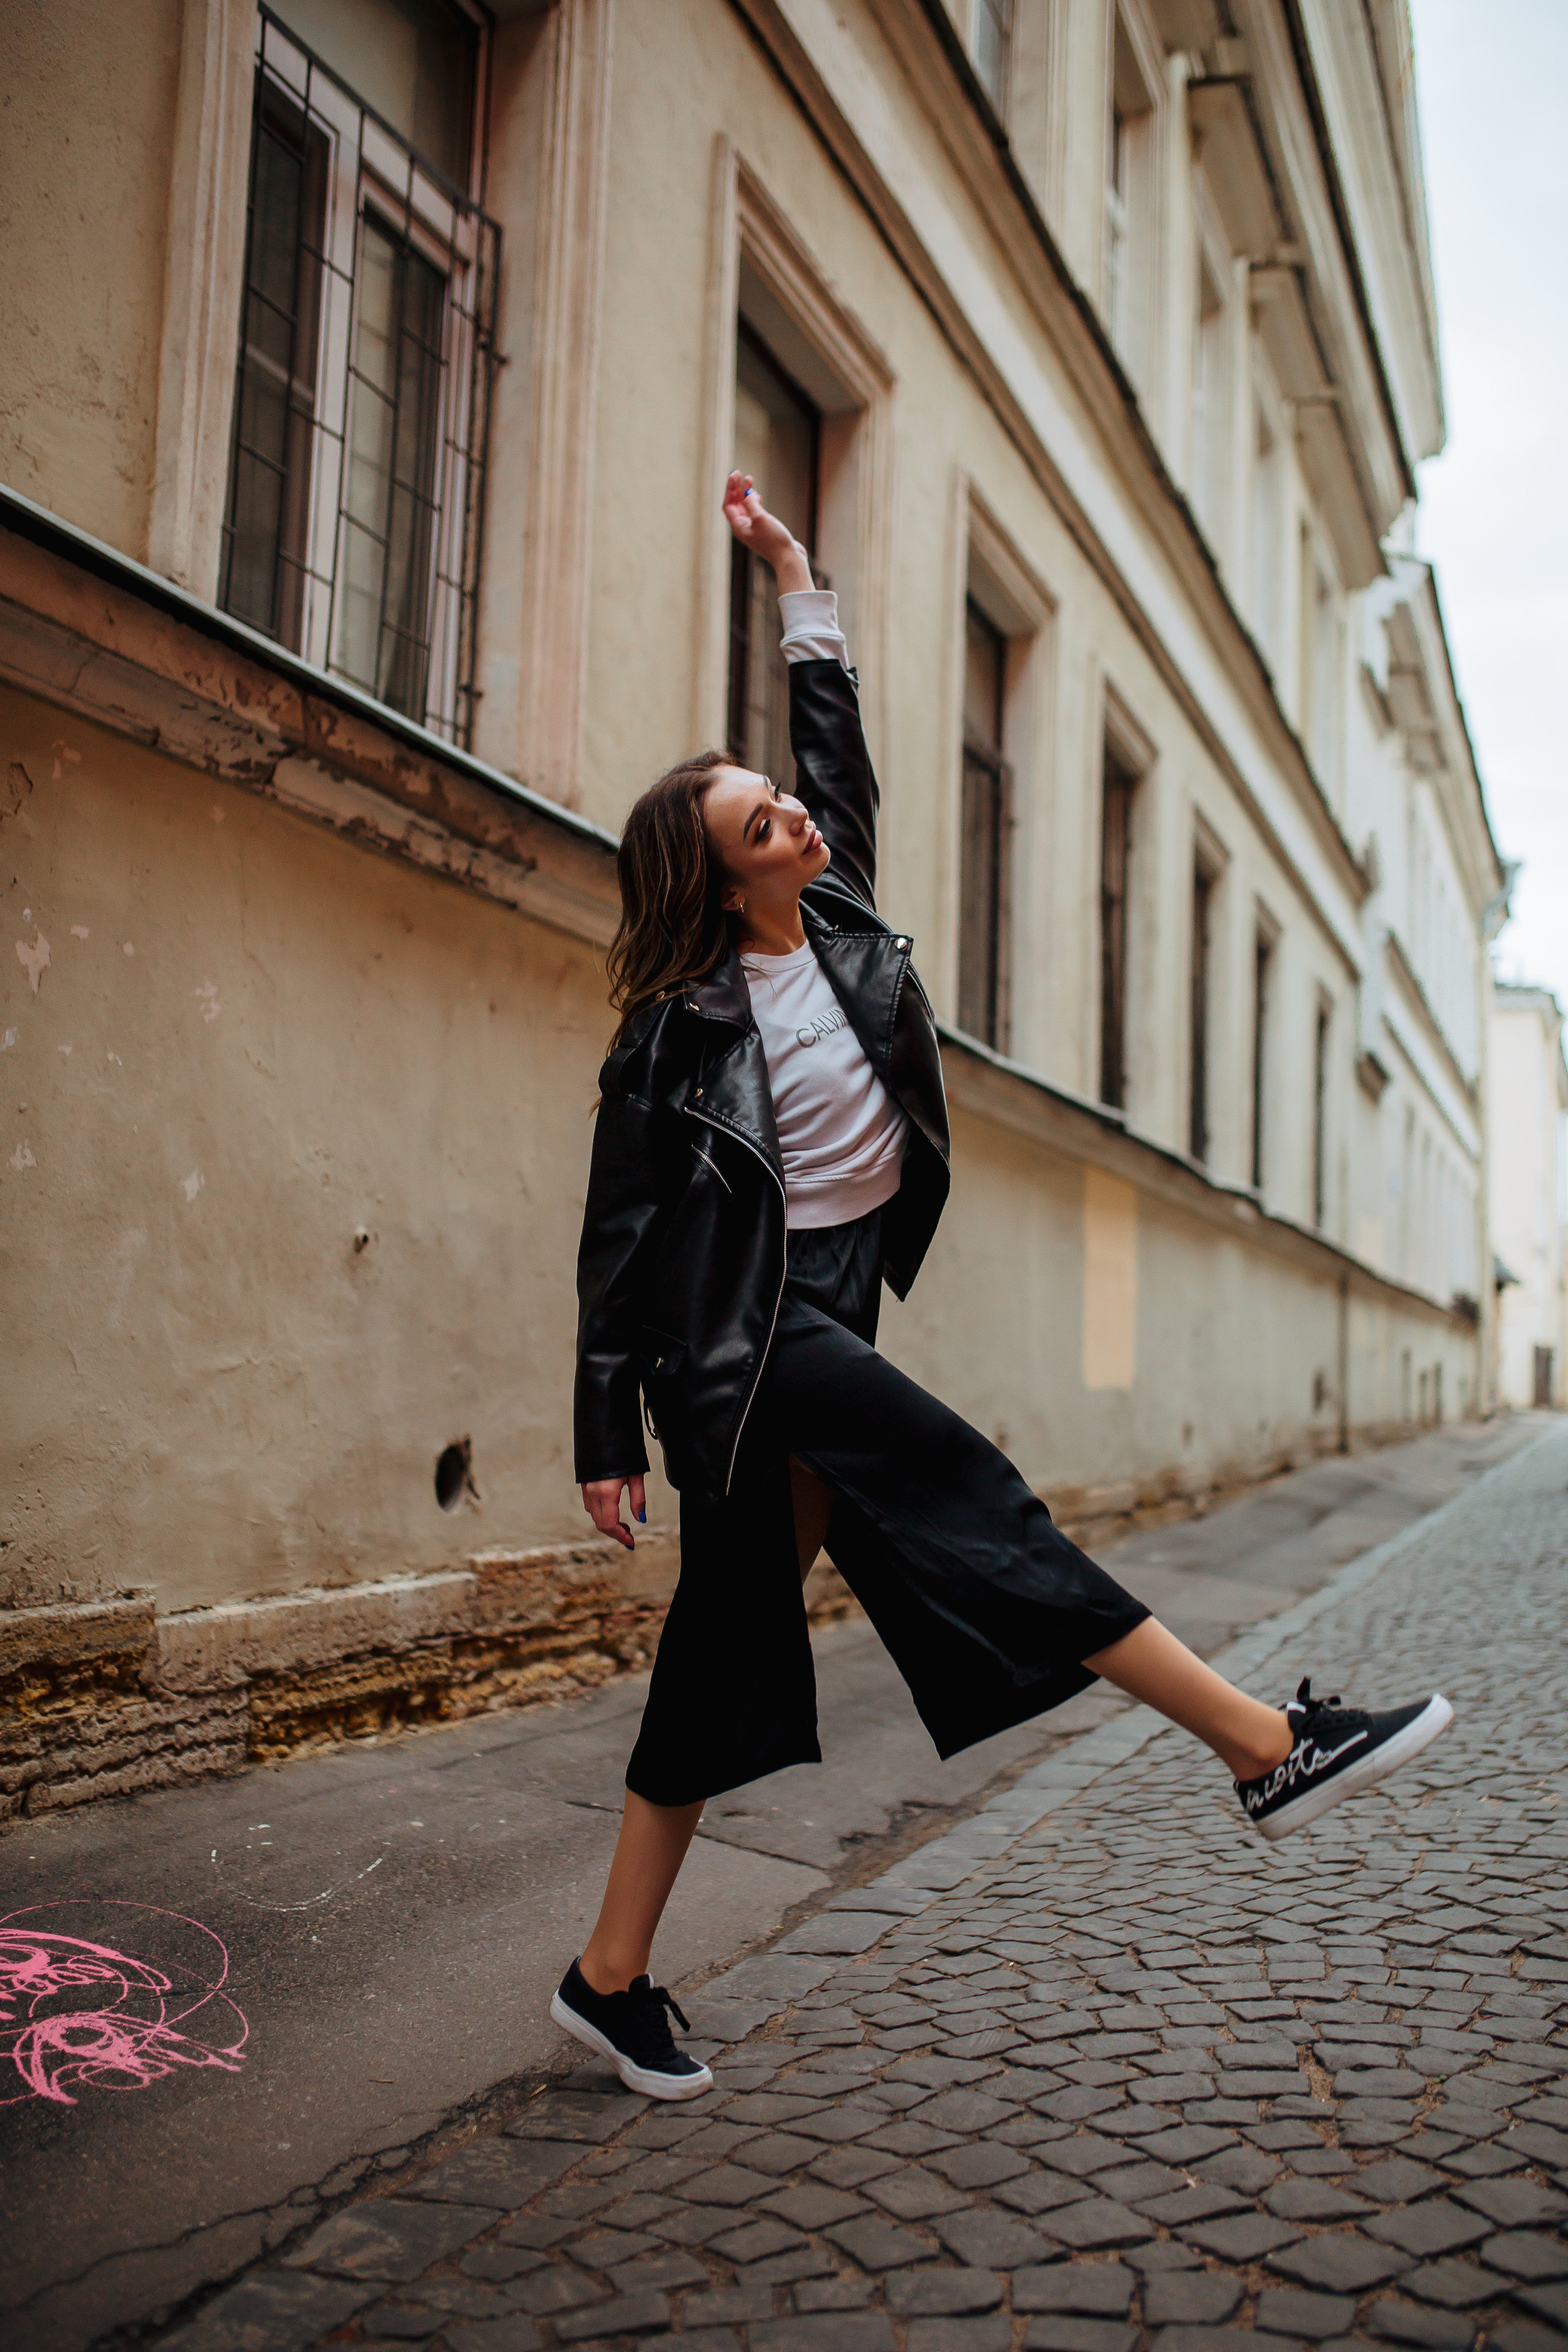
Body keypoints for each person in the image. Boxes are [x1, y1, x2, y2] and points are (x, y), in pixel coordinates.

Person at [551, 473, 1452, 2101]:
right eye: (764, 825)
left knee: (727, 1647)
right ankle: (1261, 1745)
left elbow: (839, 756)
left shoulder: (839, 919)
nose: (799, 822)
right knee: (974, 1500)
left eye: (787, 808)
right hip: (751, 1340)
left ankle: (608, 1976)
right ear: (719, 877)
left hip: (834, 1299)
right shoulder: (674, 1032)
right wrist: (600, 1423)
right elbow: (620, 1235)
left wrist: (798, 580)